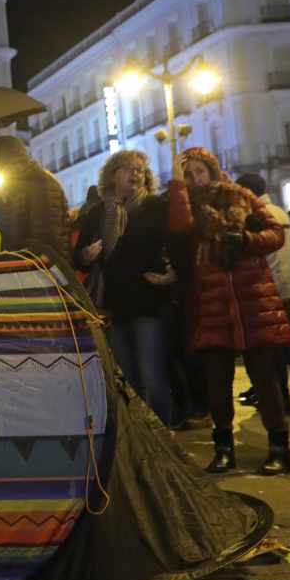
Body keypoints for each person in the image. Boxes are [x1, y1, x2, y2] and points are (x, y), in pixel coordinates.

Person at [167, 146, 290, 474]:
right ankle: (223, 447)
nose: (196, 177)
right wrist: (178, 186)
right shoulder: (186, 205)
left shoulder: (242, 196)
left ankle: (279, 445)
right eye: (188, 173)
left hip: (252, 298)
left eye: (199, 170)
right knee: (217, 381)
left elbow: (276, 234)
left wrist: (249, 240)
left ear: (212, 169)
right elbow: (180, 228)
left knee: (265, 379)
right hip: (212, 303)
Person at [74, 150, 176, 426]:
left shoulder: (154, 207)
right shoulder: (98, 213)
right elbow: (78, 257)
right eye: (128, 168)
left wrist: (170, 275)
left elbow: (165, 246)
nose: (135, 173)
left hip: (147, 301)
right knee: (127, 378)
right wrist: (87, 255)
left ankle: (162, 434)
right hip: (114, 305)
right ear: (112, 175)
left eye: (140, 169)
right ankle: (140, 436)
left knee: (151, 375)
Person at [235, 174, 290, 413]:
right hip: (278, 289)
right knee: (278, 346)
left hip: (269, 290)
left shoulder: (263, 214)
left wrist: (273, 289)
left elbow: (274, 258)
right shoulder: (275, 212)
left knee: (278, 346)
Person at [0, 134, 72, 262]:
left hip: (45, 266)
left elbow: (45, 234)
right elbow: (8, 231)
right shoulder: (13, 186)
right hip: (25, 264)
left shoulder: (40, 183)